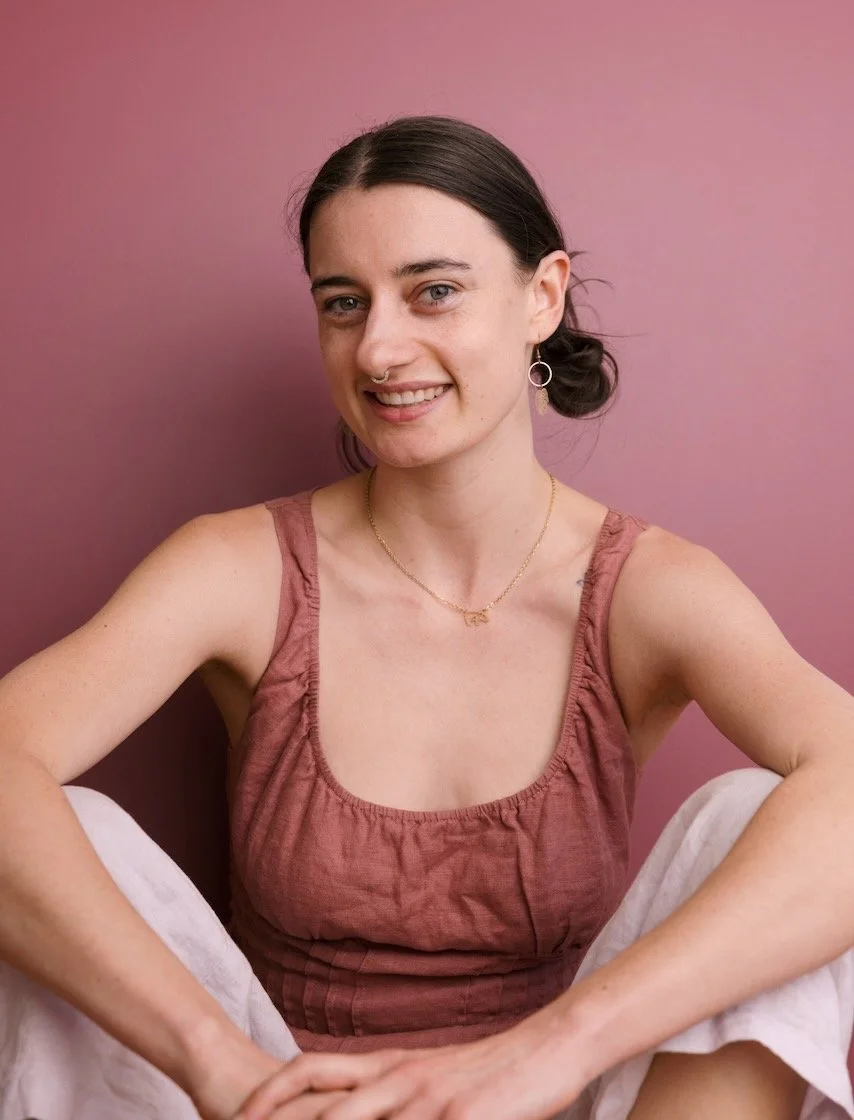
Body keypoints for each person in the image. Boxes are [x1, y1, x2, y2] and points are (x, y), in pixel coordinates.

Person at [1, 115, 853, 1120]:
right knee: (62, 834)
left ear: (542, 295)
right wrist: (222, 1070)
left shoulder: (646, 586)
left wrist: (546, 1051)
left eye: (432, 291)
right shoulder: (237, 566)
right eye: (341, 303)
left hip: (553, 1096)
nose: (378, 347)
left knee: (765, 812)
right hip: (280, 1099)